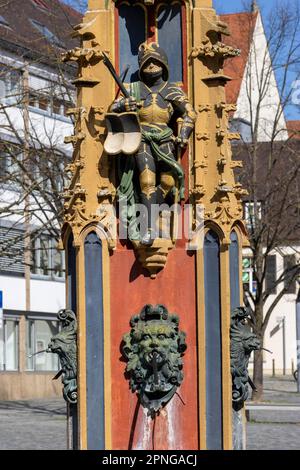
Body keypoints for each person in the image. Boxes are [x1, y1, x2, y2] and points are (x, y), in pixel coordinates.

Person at [110, 42, 197, 245]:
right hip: (142, 139)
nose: (150, 66)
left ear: (163, 64)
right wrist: (125, 104)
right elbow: (112, 108)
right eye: (147, 63)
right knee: (147, 181)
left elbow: (190, 112)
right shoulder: (133, 89)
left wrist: (184, 134)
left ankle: (145, 208)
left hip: (166, 139)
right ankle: (148, 228)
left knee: (168, 182)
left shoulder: (172, 90)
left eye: (155, 62)